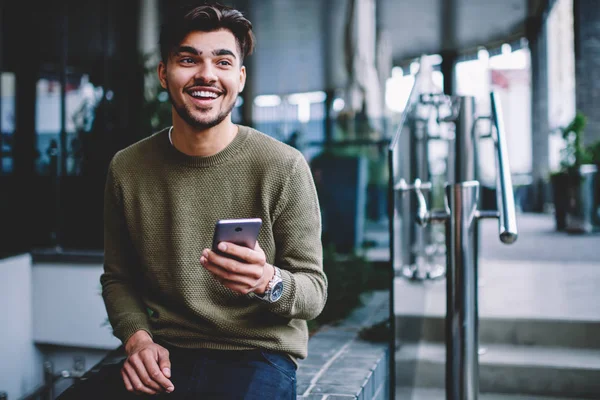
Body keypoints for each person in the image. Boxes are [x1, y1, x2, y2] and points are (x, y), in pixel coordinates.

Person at [64, 2, 327, 399]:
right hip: (165, 352)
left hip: (257, 355)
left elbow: (314, 290)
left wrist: (266, 281)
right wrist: (138, 342)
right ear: (163, 73)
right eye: (189, 59)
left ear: (239, 78)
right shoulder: (128, 168)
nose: (206, 74)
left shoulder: (283, 166)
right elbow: (118, 278)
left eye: (223, 62)